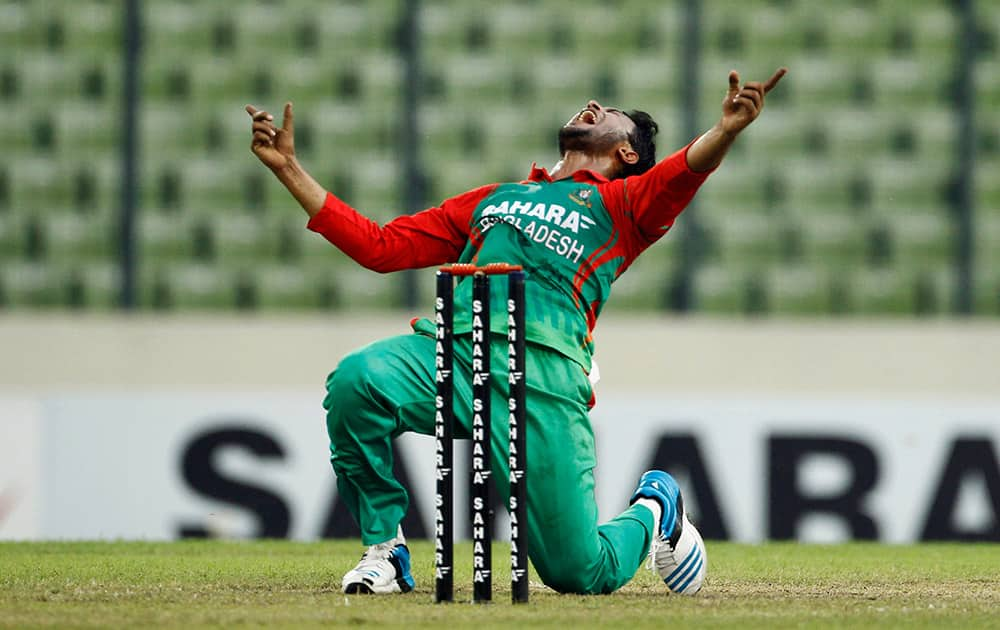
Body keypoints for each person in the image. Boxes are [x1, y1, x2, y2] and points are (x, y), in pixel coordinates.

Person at [246, 66, 786, 596]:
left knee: (578, 573)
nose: (593, 105)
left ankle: (653, 508)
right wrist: (289, 169)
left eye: (610, 115)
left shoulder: (625, 205)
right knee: (357, 382)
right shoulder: (496, 199)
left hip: (543, 379)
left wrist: (725, 132)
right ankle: (386, 550)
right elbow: (381, 247)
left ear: (626, 153)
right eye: (592, 104)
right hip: (454, 354)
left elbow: (683, 172)